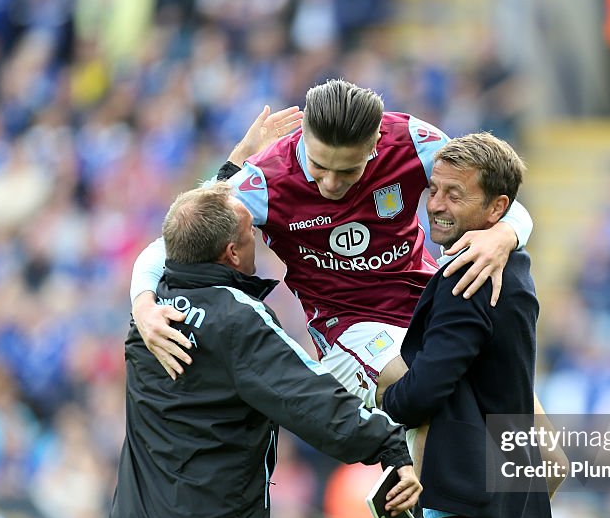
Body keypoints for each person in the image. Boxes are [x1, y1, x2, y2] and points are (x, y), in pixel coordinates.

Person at [108, 180, 422, 518]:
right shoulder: (239, 318)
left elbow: (178, 230)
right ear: (232, 252)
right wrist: (389, 444)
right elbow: (313, 399)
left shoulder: (146, 312)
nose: (260, 235)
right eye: (251, 231)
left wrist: (234, 167)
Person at [129, 79, 535, 410]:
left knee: (544, 457)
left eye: (349, 171)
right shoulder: (266, 180)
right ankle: (413, 493)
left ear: (376, 142)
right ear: (303, 137)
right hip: (348, 327)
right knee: (432, 395)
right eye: (319, 167)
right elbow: (167, 245)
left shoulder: (413, 140)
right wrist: (144, 306)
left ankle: (487, 507)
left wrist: (504, 234)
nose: (331, 184)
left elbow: (503, 201)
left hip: (424, 301)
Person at [378, 133, 554, 518]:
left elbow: (422, 396)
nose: (435, 204)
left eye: (455, 195)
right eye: (434, 189)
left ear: (497, 210)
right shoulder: (505, 262)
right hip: (454, 510)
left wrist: (383, 388)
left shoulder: (467, 276)